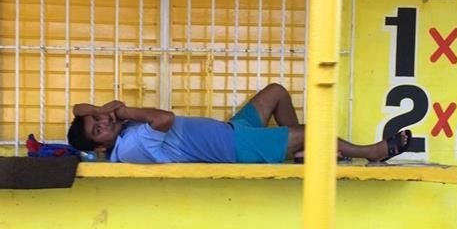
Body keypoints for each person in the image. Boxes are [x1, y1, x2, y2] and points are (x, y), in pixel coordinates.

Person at [66, 83, 411, 164]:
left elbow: (77, 107)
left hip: (232, 131)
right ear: (101, 147)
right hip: (234, 148)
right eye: (98, 129)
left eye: (99, 119)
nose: (103, 122)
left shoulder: (121, 135)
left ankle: (297, 154)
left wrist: (98, 108)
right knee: (317, 133)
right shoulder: (129, 146)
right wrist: (120, 111)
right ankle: (372, 151)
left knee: (276, 93)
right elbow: (164, 119)